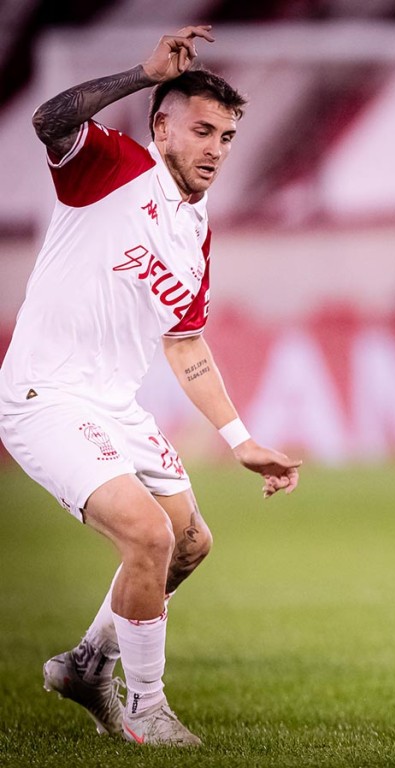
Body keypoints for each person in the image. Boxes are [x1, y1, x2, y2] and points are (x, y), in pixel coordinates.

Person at [0, 26, 301, 747]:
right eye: (201, 130)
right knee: (147, 534)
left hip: (115, 404)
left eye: (226, 137)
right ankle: (146, 707)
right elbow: (49, 120)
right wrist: (143, 72)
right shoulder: (112, 165)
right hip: (46, 395)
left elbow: (185, 342)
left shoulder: (196, 226)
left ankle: (85, 665)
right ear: (161, 127)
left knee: (190, 542)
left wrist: (240, 439)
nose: (216, 149)